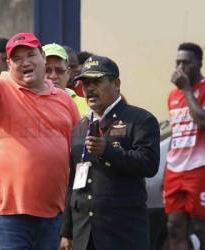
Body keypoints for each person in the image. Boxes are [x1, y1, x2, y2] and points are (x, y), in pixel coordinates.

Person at [0, 24, 80, 250]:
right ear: (9, 65)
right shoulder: (0, 89)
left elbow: (76, 154)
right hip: (6, 216)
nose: (25, 62)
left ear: (43, 57)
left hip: (53, 216)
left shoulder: (65, 101)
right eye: (17, 58)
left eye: (31, 54)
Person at [59, 55, 160, 250]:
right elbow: (73, 183)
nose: (89, 88)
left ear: (116, 84)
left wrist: (108, 151)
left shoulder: (140, 120)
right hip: (84, 234)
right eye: (85, 83)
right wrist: (67, 231)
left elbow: (149, 164)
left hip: (122, 233)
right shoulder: (80, 127)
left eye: (97, 81)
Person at [164, 42, 205, 250]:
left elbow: (202, 121)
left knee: (200, 227)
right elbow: (176, 134)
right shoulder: (173, 96)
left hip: (199, 169)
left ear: (199, 64)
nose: (180, 68)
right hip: (175, 171)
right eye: (177, 62)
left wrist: (188, 89)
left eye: (186, 63)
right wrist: (166, 170)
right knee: (174, 226)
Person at [42, 43, 89, 117]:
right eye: (47, 70)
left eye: (59, 70)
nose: (53, 76)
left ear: (68, 73)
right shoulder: (27, 105)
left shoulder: (86, 107)